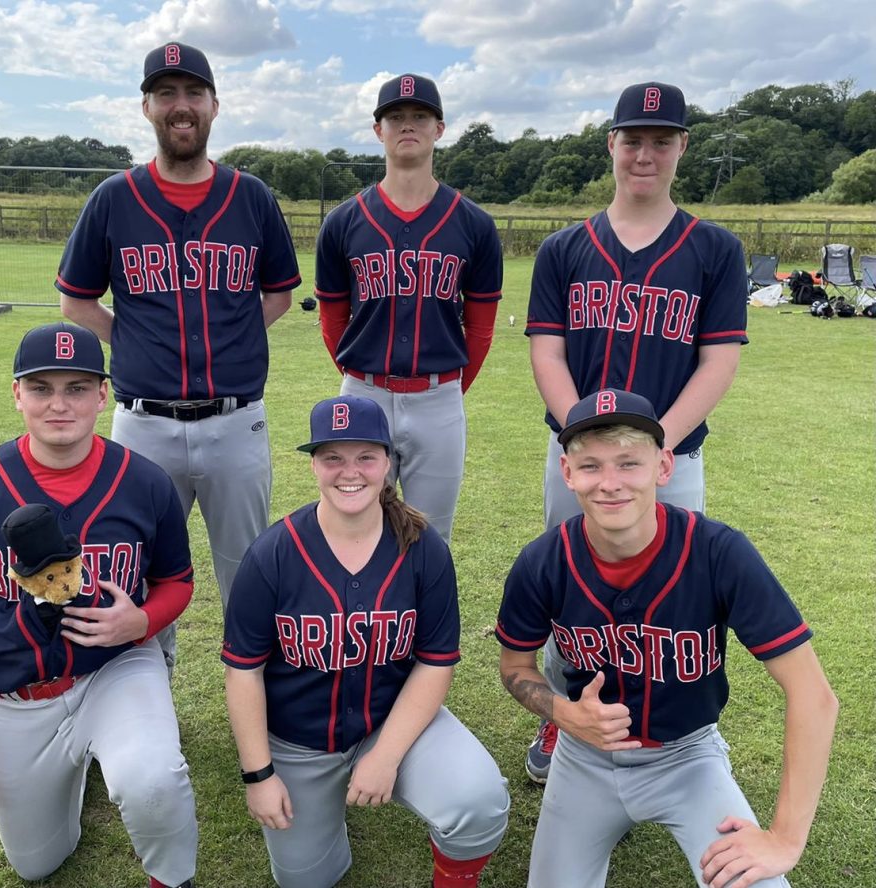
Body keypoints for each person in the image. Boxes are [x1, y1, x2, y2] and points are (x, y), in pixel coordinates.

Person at [496, 389, 838, 888]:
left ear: (663, 466)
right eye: (590, 466)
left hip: (688, 759)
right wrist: (561, 713)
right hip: (583, 759)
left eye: (629, 463)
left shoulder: (718, 552)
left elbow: (814, 695)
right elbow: (515, 666)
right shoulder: (542, 563)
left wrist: (785, 838)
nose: (609, 483)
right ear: (567, 473)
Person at [0, 322, 198, 888]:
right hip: (14, 699)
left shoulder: (144, 482)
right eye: (41, 388)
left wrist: (143, 620)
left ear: (103, 395)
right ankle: (81, 764)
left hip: (116, 668)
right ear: (16, 394)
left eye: (77, 388)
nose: (59, 404)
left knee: (153, 780)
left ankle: (170, 878)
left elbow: (177, 582)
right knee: (36, 864)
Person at [523, 81, 749, 780]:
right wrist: (581, 443)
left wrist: (658, 447)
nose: (645, 153)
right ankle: (566, 714)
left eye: (661, 140)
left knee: (676, 595)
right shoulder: (565, 248)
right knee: (571, 588)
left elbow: (718, 360)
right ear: (611, 145)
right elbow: (547, 352)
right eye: (633, 139)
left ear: (682, 147)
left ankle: (676, 734)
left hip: (672, 458)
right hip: (577, 458)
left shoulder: (715, 249)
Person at [57, 41, 302, 643]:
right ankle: (144, 686)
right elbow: (76, 301)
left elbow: (278, 293)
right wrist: (135, 342)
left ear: (215, 105)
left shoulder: (251, 196)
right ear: (147, 107)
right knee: (137, 572)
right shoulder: (114, 198)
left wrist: (230, 338)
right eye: (166, 93)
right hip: (144, 424)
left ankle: (253, 682)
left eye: (193, 92)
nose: (181, 105)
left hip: (236, 422)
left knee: (248, 570)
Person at [222, 395, 510, 888]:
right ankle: (323, 811)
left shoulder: (422, 547)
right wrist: (259, 775)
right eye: (332, 457)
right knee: (304, 880)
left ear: (388, 463)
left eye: (366, 457)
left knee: (479, 802)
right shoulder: (272, 554)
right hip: (299, 741)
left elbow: (435, 661)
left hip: (391, 722)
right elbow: (243, 671)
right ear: (313, 465)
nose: (349, 472)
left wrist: (386, 756)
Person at [314, 73, 503, 543]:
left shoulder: (474, 224)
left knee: (432, 537)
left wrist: (447, 390)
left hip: (439, 397)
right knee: (355, 529)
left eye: (420, 116)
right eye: (395, 116)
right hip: (363, 391)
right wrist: (360, 381)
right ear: (378, 129)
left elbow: (480, 329)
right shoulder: (343, 221)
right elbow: (332, 320)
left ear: (439, 129)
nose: (407, 125)